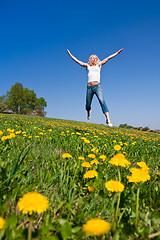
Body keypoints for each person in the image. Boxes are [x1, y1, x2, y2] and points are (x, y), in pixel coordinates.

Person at [67, 48, 123, 127]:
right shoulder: (87, 66)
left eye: (95, 58)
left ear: (97, 60)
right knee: (87, 104)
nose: (94, 59)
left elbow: (108, 58)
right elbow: (77, 61)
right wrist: (70, 54)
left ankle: (108, 119)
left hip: (97, 87)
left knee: (102, 100)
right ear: (90, 59)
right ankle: (89, 111)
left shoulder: (99, 65)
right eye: (92, 58)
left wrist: (117, 53)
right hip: (89, 88)